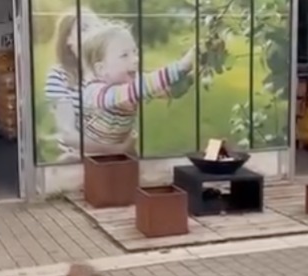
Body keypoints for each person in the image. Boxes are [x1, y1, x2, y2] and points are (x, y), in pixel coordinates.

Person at [80, 23, 195, 153]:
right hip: (90, 157)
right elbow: (139, 88)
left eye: (135, 52)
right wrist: (180, 67)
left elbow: (160, 89)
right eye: (125, 55)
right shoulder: (95, 93)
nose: (135, 59)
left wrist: (188, 78)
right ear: (101, 69)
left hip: (118, 154)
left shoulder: (132, 84)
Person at [44, 7, 105, 161]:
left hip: (111, 156)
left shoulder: (110, 72)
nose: (93, 33)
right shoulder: (58, 75)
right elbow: (67, 133)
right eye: (85, 28)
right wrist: (112, 148)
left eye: (98, 28)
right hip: (76, 157)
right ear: (68, 40)